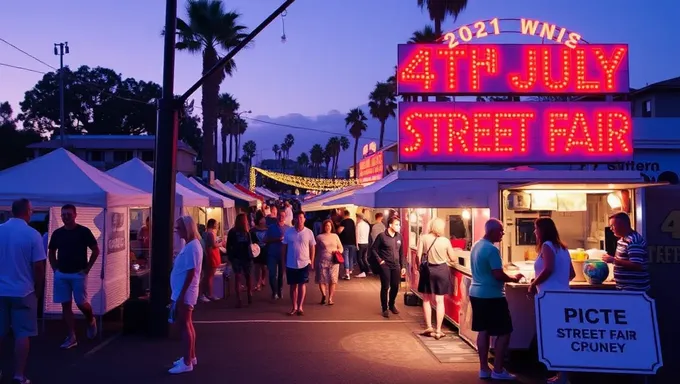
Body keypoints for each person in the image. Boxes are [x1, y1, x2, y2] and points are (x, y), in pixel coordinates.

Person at [469, 219, 522, 380]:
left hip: (476, 293)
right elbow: (498, 273)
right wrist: (513, 278)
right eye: (501, 231)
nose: (503, 233)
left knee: (483, 331)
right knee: (505, 332)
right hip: (492, 295)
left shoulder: (476, 245)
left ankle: (484, 369)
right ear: (492, 231)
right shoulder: (492, 250)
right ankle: (498, 370)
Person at [0, 199, 46, 384]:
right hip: (24, 291)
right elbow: (39, 267)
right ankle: (19, 374)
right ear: (27, 211)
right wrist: (38, 290)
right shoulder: (32, 234)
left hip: (1, 290)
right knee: (22, 333)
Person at [528, 217, 575, 384]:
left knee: (553, 336)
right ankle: (563, 374)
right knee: (562, 335)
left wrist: (534, 283)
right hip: (563, 297)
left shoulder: (547, 246)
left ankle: (561, 376)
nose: (534, 232)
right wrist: (560, 283)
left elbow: (548, 268)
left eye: (536, 228)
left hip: (550, 299)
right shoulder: (563, 248)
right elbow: (572, 274)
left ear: (542, 230)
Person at [47, 204, 99, 349]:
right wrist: (55, 268)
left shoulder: (83, 231)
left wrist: (87, 268)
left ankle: (90, 320)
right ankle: (71, 336)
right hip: (62, 274)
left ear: (75, 215)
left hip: (78, 273)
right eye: (63, 214)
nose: (66, 217)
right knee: (66, 305)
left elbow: (95, 250)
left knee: (81, 303)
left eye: (69, 214)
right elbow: (51, 251)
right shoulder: (57, 233)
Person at [168, 215, 203, 374]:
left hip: (185, 292)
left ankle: (187, 361)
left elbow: (191, 273)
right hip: (183, 291)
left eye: (178, 228)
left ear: (186, 229)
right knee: (187, 324)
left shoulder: (193, 247)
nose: (176, 231)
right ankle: (191, 357)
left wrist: (181, 294)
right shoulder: (191, 245)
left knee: (185, 325)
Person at [417, 217, 457, 340]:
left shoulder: (423, 238)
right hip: (442, 271)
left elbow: (418, 258)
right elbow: (453, 258)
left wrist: (419, 268)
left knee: (426, 299)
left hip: (428, 271)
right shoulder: (445, 241)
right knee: (440, 301)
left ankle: (429, 327)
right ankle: (439, 330)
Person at [603, 212, 650, 292]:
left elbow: (636, 264)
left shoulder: (634, 241)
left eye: (613, 226)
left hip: (634, 289)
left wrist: (613, 260)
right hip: (624, 288)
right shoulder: (622, 240)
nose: (611, 229)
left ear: (622, 225)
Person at [282, 211, 316, 316]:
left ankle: (300, 307)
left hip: (304, 262)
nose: (300, 220)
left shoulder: (309, 232)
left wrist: (312, 261)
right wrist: (283, 262)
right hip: (291, 263)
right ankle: (294, 306)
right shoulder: (288, 232)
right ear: (295, 219)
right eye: (298, 218)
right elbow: (284, 247)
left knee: (302, 284)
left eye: (301, 218)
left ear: (304, 219)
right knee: (293, 286)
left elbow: (312, 247)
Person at [371, 216, 405, 318]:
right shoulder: (382, 236)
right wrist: (380, 260)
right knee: (386, 286)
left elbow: (401, 252)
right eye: (396, 224)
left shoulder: (399, 237)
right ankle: (384, 308)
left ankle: (391, 304)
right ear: (390, 225)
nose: (399, 226)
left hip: (396, 265)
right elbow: (373, 249)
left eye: (399, 225)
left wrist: (403, 266)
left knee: (395, 286)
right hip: (385, 265)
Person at [227, 213, 254, 307]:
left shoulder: (232, 232)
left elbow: (228, 245)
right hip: (246, 257)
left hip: (236, 257)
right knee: (248, 277)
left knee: (238, 278)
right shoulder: (247, 232)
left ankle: (239, 299)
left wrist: (230, 257)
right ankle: (249, 294)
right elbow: (250, 245)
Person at [315, 219, 343, 305]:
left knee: (333, 280)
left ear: (332, 227)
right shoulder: (319, 237)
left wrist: (337, 251)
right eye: (326, 225)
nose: (328, 227)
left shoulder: (335, 236)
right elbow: (315, 249)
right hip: (322, 260)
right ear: (323, 227)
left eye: (329, 225)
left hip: (334, 261)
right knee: (321, 279)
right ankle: (324, 295)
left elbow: (341, 248)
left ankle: (330, 298)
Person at [264, 209, 289, 300]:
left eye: (283, 216)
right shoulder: (271, 227)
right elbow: (265, 240)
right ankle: (274, 291)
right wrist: (276, 239)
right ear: (277, 216)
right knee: (272, 274)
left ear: (285, 217)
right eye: (279, 215)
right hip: (272, 254)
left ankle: (280, 289)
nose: (281, 217)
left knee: (281, 274)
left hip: (283, 254)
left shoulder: (288, 228)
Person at [198, 219, 223, 303]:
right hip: (212, 256)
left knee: (207, 276)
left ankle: (205, 293)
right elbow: (212, 245)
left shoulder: (205, 233)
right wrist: (220, 244)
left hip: (209, 256)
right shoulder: (211, 234)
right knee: (209, 276)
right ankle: (209, 294)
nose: (217, 225)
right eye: (216, 224)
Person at [251, 212, 269, 291]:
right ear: (259, 221)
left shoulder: (268, 229)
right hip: (256, 250)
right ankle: (257, 283)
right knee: (257, 266)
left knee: (264, 267)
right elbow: (250, 240)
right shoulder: (253, 230)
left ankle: (263, 278)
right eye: (263, 219)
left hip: (265, 249)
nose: (264, 220)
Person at [337, 210, 357, 280]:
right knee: (351, 257)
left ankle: (347, 273)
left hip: (345, 242)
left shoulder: (344, 222)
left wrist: (338, 229)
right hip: (352, 242)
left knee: (346, 258)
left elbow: (339, 231)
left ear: (344, 214)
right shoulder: (352, 221)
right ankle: (350, 270)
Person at [355, 213, 370, 278]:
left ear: (359, 218)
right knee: (364, 258)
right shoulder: (367, 225)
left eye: (357, 218)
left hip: (360, 243)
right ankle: (367, 270)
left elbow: (357, 235)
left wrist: (356, 245)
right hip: (366, 243)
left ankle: (363, 271)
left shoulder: (359, 225)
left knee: (359, 258)